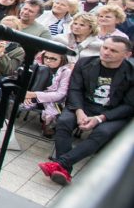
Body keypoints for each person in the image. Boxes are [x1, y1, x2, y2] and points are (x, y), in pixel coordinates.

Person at [38, 37, 134, 185]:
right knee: (64, 121)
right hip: (82, 105)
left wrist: (100, 118)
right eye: (105, 47)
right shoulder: (85, 63)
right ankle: (64, 170)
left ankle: (60, 164)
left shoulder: (131, 73)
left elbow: (129, 106)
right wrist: (79, 111)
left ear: (127, 55)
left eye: (113, 50)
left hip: (112, 113)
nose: (106, 52)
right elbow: (75, 89)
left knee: (102, 133)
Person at [22, 51, 73, 137]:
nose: (48, 60)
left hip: (56, 101)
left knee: (52, 109)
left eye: (53, 58)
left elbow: (60, 94)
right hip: (37, 95)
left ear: (62, 59)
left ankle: (49, 124)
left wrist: (33, 95)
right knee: (43, 69)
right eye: (46, 57)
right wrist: (29, 94)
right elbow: (30, 83)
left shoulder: (66, 72)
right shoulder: (40, 66)